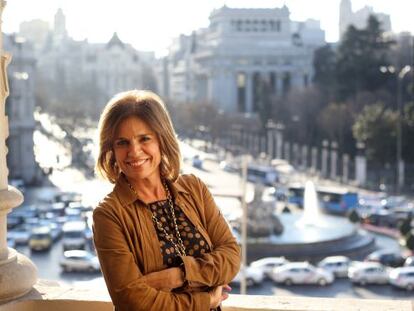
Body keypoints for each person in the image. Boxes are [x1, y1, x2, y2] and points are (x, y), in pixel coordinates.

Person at [93, 90, 241, 311]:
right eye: (122, 143)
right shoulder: (109, 214)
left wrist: (179, 276)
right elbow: (132, 300)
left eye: (144, 139)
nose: (134, 152)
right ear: (111, 150)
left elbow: (231, 256)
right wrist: (204, 301)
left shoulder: (194, 189)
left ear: (162, 140)